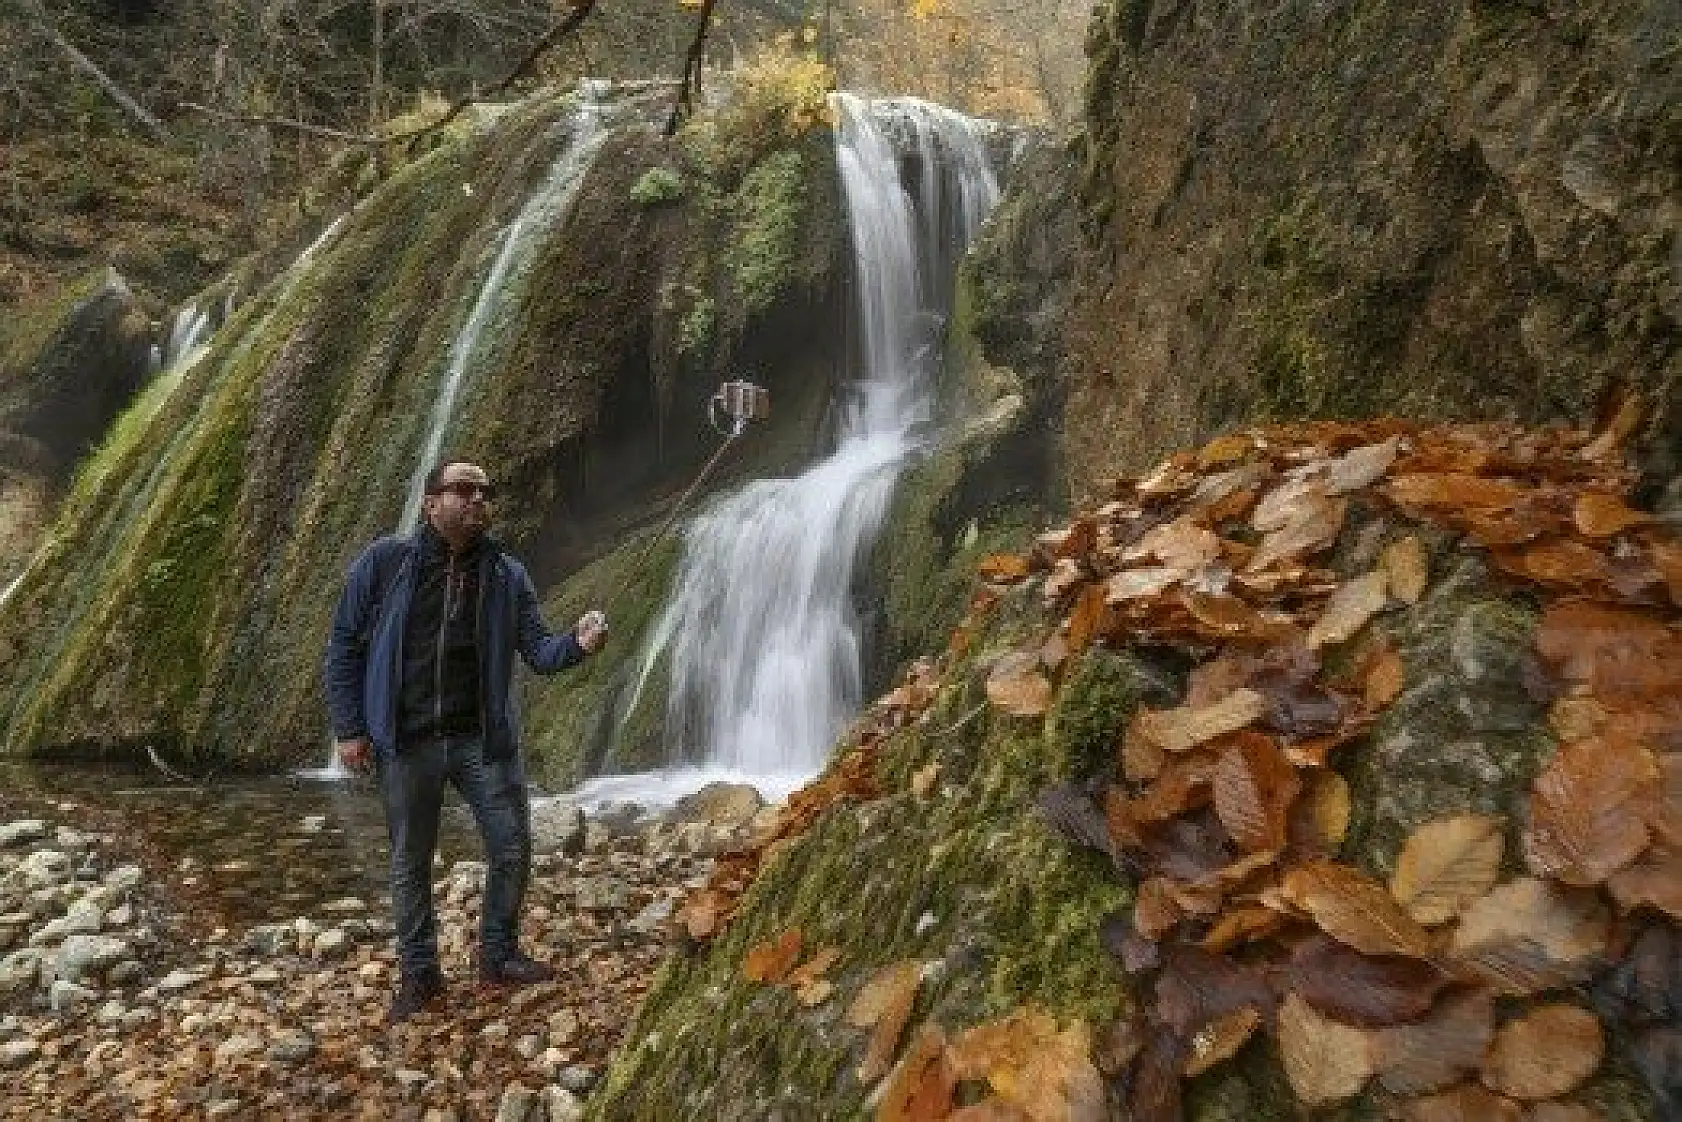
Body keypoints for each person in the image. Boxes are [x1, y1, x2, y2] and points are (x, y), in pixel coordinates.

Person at [324, 458, 607, 1023]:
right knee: (411, 861)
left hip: (482, 740)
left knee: (512, 847)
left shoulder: (506, 575)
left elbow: (539, 651)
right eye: (464, 489)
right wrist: (351, 728)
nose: (479, 498)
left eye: (485, 492)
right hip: (406, 741)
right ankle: (420, 975)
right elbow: (344, 646)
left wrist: (577, 644)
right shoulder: (385, 564)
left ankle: (498, 956)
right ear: (431, 504)